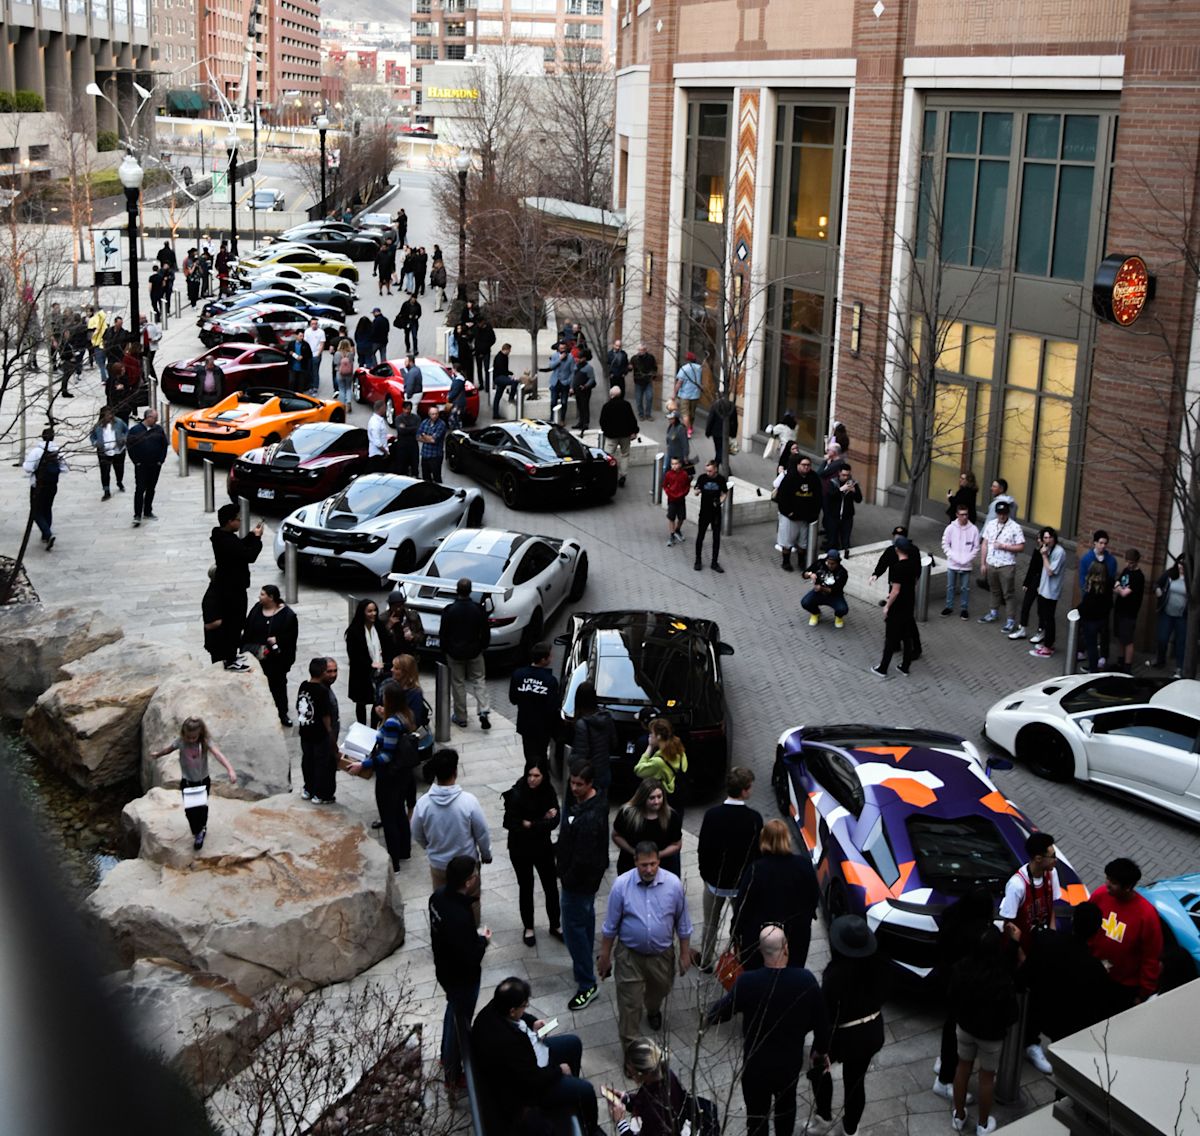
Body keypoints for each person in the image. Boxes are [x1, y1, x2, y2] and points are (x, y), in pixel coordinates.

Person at [706, 924, 830, 1136]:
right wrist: (820, 1050)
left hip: (757, 1066)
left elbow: (719, 1013)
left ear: (760, 951)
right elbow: (822, 1022)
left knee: (756, 1118)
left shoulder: (747, 982)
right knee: (786, 1111)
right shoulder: (805, 980)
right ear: (786, 948)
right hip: (788, 1065)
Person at [471, 976, 598, 1133]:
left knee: (573, 1043)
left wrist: (532, 1022)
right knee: (586, 1090)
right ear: (512, 1011)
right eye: (524, 1006)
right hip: (530, 1090)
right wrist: (559, 1070)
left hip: (532, 1058)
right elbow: (533, 1079)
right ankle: (591, 1129)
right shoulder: (508, 1044)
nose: (526, 1008)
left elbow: (521, 1017)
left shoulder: (497, 1006)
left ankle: (569, 1092)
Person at [599, 842, 693, 1055]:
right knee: (629, 1005)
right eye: (644, 865)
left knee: (660, 990)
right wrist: (604, 956)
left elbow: (683, 923)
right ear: (635, 862)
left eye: (653, 864)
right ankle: (631, 1055)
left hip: (662, 956)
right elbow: (610, 925)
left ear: (659, 861)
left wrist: (685, 953)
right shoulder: (621, 886)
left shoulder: (673, 885)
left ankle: (652, 1009)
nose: (649, 869)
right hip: (629, 957)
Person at [810, 916, 885, 1136]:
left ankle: (823, 1117)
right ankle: (850, 1130)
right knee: (855, 1083)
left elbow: (825, 1015)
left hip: (844, 1034)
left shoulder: (834, 975)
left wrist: (821, 1047)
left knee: (818, 1067)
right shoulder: (879, 965)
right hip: (872, 1030)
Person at [429, 855, 490, 1099]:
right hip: (462, 979)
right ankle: (453, 1075)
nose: (477, 878)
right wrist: (483, 941)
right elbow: (470, 956)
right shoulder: (459, 916)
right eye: (475, 875)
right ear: (468, 882)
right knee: (460, 1027)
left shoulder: (437, 898)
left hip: (445, 971)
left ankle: (446, 1058)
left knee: (452, 1012)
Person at [999, 830, 1060, 1073]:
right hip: (1021, 952)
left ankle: (1031, 1043)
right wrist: (1021, 956)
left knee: (1039, 999)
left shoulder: (1051, 874)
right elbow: (1008, 923)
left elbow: (1052, 907)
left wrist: (1052, 938)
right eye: (1051, 856)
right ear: (1037, 858)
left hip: (1040, 948)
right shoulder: (1016, 885)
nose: (1055, 860)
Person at [949, 926, 1018, 1136]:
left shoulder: (961, 968)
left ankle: (959, 1115)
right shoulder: (1001, 977)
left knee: (962, 1069)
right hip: (991, 1036)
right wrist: (1014, 942)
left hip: (965, 1027)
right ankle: (983, 1124)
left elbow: (952, 997)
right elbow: (1012, 1013)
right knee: (987, 1078)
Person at [412, 747, 493, 920]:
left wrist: (430, 847)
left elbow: (417, 833)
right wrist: (486, 854)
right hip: (467, 867)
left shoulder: (423, 804)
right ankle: (472, 932)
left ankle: (447, 932)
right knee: (471, 902)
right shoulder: (469, 802)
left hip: (439, 865)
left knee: (444, 904)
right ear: (455, 772)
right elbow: (482, 833)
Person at [556, 759, 610, 1012]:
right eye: (572, 782)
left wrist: (566, 877)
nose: (574, 788)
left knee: (574, 931)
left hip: (578, 884)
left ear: (590, 784)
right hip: (585, 883)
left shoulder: (589, 816)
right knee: (585, 923)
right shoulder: (591, 804)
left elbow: (583, 858)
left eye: (579, 784)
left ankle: (587, 984)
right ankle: (585, 965)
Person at [732, 818, 820, 969]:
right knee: (793, 973)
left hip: (760, 938)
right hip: (796, 934)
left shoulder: (755, 870)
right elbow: (813, 896)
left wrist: (735, 932)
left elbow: (742, 906)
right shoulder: (803, 865)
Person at [346, 683, 417, 869]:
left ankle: (394, 861)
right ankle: (405, 851)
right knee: (399, 812)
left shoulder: (392, 722)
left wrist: (363, 765)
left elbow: (386, 756)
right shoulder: (405, 715)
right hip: (402, 775)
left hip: (390, 777)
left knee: (389, 817)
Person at [697, 767, 762, 970]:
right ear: (744, 790)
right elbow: (756, 853)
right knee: (741, 924)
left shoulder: (712, 815)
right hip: (741, 884)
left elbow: (703, 849)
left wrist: (706, 875)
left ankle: (706, 961)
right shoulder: (754, 818)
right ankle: (739, 961)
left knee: (710, 923)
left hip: (714, 882)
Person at [933, 886, 993, 1102]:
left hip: (949, 982)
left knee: (951, 1027)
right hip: (963, 988)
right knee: (955, 1032)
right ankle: (945, 1080)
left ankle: (944, 1065)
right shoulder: (973, 934)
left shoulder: (953, 918)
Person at [148, 717, 237, 851]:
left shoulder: (204, 742)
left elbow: (218, 754)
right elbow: (168, 749)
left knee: (201, 808)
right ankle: (196, 830)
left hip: (202, 781)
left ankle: (201, 830)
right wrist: (158, 755)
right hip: (188, 782)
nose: (190, 740)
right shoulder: (180, 742)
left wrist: (230, 769)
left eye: (193, 737)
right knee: (190, 811)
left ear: (200, 733)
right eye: (188, 737)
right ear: (184, 733)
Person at [1088, 857, 1163, 1009]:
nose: (1107, 884)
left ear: (1128, 887)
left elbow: (1150, 958)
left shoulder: (1147, 915)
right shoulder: (1100, 895)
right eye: (1107, 878)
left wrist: (1144, 993)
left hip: (1123, 986)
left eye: (1113, 882)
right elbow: (1085, 924)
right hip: (1093, 972)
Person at [503, 759, 562, 947]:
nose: (532, 779)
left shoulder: (548, 791)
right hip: (520, 849)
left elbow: (554, 820)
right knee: (526, 887)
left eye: (537, 775)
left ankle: (555, 924)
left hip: (542, 847)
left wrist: (530, 823)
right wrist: (541, 819)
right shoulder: (517, 793)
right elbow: (510, 822)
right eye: (530, 774)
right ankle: (528, 927)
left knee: (550, 887)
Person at [209, 503, 264, 671]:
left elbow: (240, 546)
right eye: (238, 519)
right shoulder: (227, 541)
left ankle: (231, 655)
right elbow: (249, 555)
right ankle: (230, 658)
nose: (240, 522)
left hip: (231, 587)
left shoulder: (221, 536)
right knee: (234, 623)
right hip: (233, 590)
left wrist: (251, 535)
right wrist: (257, 539)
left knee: (235, 623)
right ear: (229, 521)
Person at [603, 1037, 693, 1136]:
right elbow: (645, 1099)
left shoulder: (655, 1111)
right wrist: (627, 1099)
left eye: (631, 1073)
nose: (630, 1075)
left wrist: (621, 1122)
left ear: (642, 1074)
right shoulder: (663, 1075)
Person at [242, 585, 299, 727]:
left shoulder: (287, 615)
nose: (259, 597)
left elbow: (291, 638)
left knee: (278, 686)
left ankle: (282, 712)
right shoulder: (257, 609)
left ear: (271, 597)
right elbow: (248, 629)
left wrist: (277, 641)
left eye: (262, 594)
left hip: (276, 661)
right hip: (257, 657)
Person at [440, 577, 491, 729]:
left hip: (455, 652)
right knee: (479, 680)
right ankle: (483, 709)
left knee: (458, 684)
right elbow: (485, 631)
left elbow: (443, 633)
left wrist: (445, 650)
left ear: (457, 590)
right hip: (474, 651)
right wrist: (483, 646)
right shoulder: (478, 609)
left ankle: (461, 717)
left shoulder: (449, 610)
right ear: (470, 591)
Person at [612, 780, 683, 877]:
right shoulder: (627, 814)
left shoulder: (671, 816)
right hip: (631, 865)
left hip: (664, 867)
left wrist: (656, 856)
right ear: (643, 797)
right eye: (652, 798)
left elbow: (677, 844)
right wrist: (633, 852)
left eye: (659, 797)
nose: (656, 801)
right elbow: (616, 836)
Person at [872, 535, 919, 677]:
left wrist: (887, 605)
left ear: (897, 549)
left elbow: (896, 591)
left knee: (890, 637)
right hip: (909, 602)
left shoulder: (898, 568)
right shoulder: (912, 564)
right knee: (906, 636)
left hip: (898, 606)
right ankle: (905, 666)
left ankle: (883, 668)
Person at [509, 642, 561, 765]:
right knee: (541, 755)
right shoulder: (550, 681)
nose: (552, 658)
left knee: (529, 755)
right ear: (543, 659)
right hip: (543, 727)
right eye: (550, 656)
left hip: (525, 724)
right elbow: (552, 708)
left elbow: (513, 699)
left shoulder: (518, 674)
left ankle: (532, 772)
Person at [296, 657, 340, 803]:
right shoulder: (322, 691)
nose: (333, 674)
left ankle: (308, 789)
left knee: (308, 761)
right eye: (329, 671)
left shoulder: (303, 686)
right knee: (323, 764)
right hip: (320, 735)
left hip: (306, 732)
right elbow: (325, 716)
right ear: (322, 672)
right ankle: (321, 794)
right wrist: (331, 736)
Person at [978, 499, 1025, 631]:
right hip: (992, 563)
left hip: (1007, 565)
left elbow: (1021, 547)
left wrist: (1005, 546)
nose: (1002, 516)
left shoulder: (1015, 527)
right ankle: (993, 612)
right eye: (999, 513)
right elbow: (985, 544)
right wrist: (983, 563)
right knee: (994, 590)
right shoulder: (991, 524)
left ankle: (1010, 620)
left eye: (1004, 513)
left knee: (1008, 594)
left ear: (1008, 513)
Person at [344, 598, 392, 725]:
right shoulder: (354, 631)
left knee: (377, 701)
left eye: (375, 610)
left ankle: (373, 727)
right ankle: (361, 726)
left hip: (379, 671)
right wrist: (370, 664)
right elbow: (353, 655)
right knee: (361, 702)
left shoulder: (379, 627)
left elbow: (387, 646)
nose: (373, 614)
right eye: (369, 611)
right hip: (361, 673)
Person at [775, 453, 823, 571]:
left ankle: (801, 562)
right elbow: (782, 497)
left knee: (803, 542)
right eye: (803, 465)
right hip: (790, 517)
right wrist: (788, 512)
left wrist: (814, 514)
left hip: (806, 518)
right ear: (798, 465)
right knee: (787, 541)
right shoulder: (790, 478)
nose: (806, 467)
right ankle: (786, 562)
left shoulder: (814, 478)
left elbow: (818, 497)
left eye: (808, 465)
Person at [571, 679, 618, 798]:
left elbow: (581, 754)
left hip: (588, 776)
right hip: (604, 772)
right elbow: (614, 743)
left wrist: (570, 759)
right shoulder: (607, 717)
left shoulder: (582, 724)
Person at [23, 428, 68, 550]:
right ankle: (45, 535)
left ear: (42, 437)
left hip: (38, 485)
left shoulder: (37, 451)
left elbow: (28, 468)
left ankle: (47, 533)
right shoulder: (57, 451)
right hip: (52, 485)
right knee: (47, 508)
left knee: (36, 511)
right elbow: (65, 468)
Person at [1027, 527, 1067, 660]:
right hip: (1044, 589)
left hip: (1051, 592)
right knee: (1043, 616)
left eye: (1050, 537)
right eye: (1045, 538)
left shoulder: (1059, 552)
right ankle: (1048, 643)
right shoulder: (1047, 549)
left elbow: (1050, 571)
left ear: (1054, 538)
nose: (1048, 540)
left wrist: (1044, 555)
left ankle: (1048, 647)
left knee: (1049, 618)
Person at [125, 408, 168, 528]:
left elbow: (164, 445)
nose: (156, 420)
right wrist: (136, 461)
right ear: (148, 417)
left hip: (155, 465)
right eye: (155, 418)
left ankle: (148, 511)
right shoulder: (135, 430)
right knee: (140, 489)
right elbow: (130, 446)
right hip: (141, 466)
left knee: (151, 488)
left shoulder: (158, 430)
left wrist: (160, 460)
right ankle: (137, 514)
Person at [634, 717, 688, 805]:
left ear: (658, 736)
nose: (649, 736)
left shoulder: (658, 762)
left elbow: (638, 770)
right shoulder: (680, 752)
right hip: (679, 798)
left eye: (651, 733)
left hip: (666, 802)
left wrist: (649, 747)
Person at [1150, 556, 1187, 676]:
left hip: (1182, 616)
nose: (1181, 567)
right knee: (1162, 638)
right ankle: (1160, 660)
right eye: (1180, 563)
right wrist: (1158, 590)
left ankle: (1180, 667)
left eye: (1184, 564)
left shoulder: (1191, 579)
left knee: (1181, 642)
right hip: (1167, 613)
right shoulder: (1170, 574)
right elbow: (1156, 584)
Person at [941, 504, 980, 618]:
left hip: (966, 565)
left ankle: (964, 609)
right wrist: (953, 556)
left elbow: (976, 547)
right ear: (957, 515)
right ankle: (949, 607)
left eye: (966, 514)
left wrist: (967, 559)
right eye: (962, 514)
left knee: (965, 588)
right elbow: (945, 544)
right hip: (952, 564)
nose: (964, 517)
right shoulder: (950, 528)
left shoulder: (973, 529)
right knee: (950, 587)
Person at [1077, 561, 1114, 672]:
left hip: (1091, 621)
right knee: (1097, 643)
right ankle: (1097, 665)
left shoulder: (1093, 588)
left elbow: (1087, 605)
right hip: (1102, 619)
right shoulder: (1108, 584)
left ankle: (1093, 669)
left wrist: (1078, 610)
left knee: (1091, 646)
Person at [599, 385, 638, 487]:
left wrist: (605, 431)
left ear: (611, 395)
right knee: (625, 454)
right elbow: (632, 420)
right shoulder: (626, 405)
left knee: (608, 456)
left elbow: (602, 421)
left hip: (611, 436)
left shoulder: (607, 406)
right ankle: (623, 476)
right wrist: (634, 431)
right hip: (625, 435)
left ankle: (608, 474)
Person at [1112, 549, 1145, 672]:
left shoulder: (1138, 577)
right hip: (1119, 609)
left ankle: (1127, 666)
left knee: (1128, 639)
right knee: (1119, 637)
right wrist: (1119, 588)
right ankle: (1120, 661)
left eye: (1131, 562)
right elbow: (1117, 584)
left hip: (1129, 612)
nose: (1128, 565)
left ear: (1136, 562)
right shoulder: (1126, 571)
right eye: (1127, 562)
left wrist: (1118, 588)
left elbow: (1124, 593)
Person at [692, 459, 727, 573]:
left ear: (715, 469)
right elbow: (695, 491)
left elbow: (724, 493)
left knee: (716, 538)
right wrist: (697, 491)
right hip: (704, 512)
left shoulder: (721, 479)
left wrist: (720, 501)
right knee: (700, 536)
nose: (708, 473)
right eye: (707, 471)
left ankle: (714, 562)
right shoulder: (702, 478)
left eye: (710, 471)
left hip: (716, 513)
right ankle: (698, 560)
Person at [800, 548, 850, 628]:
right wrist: (810, 574)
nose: (830, 565)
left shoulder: (842, 572)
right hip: (818, 593)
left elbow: (835, 590)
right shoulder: (820, 563)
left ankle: (838, 617)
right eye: (828, 563)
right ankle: (816, 613)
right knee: (805, 602)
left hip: (834, 596)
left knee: (843, 609)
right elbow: (804, 574)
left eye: (833, 564)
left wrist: (821, 588)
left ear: (837, 562)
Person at [89, 406, 128, 501]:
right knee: (105, 472)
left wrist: (124, 438)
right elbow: (92, 436)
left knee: (119, 469)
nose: (109, 417)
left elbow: (126, 430)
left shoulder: (119, 422)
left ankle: (119, 481)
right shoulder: (98, 426)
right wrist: (96, 443)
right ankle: (106, 490)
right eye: (107, 415)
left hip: (118, 450)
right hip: (104, 452)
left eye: (110, 414)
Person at [382, 588, 426, 659]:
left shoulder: (412, 616)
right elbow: (379, 639)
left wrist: (413, 636)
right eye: (395, 606)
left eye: (400, 606)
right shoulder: (383, 618)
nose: (398, 609)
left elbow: (422, 636)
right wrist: (388, 626)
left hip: (409, 653)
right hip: (391, 655)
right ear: (390, 606)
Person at [661, 455, 691, 547]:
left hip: (681, 499)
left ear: (680, 464)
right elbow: (665, 485)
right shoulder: (668, 474)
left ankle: (677, 530)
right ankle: (672, 534)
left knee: (682, 517)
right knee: (671, 518)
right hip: (672, 499)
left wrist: (684, 493)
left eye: (676, 464)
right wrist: (669, 493)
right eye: (672, 464)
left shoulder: (684, 474)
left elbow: (687, 485)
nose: (674, 466)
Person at [673, 351, 703, 437]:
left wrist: (674, 394)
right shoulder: (699, 368)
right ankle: (690, 427)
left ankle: (687, 431)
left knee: (685, 414)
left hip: (685, 394)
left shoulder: (684, 369)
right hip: (695, 394)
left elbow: (679, 383)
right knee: (692, 413)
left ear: (687, 360)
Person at [418, 403, 447, 482]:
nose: (435, 416)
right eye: (433, 414)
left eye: (436, 414)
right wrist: (428, 438)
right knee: (426, 478)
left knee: (437, 477)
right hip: (425, 454)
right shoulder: (425, 422)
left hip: (435, 456)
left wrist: (423, 435)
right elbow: (417, 437)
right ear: (429, 414)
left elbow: (434, 440)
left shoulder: (441, 424)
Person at [705, 394, 738, 464]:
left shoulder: (715, 406)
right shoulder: (732, 406)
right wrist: (733, 433)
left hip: (716, 432)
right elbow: (735, 422)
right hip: (727, 432)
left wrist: (708, 432)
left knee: (718, 449)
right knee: (723, 449)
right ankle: (721, 463)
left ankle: (717, 463)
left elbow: (710, 420)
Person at [571, 348, 597, 433]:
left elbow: (592, 379)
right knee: (579, 406)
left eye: (580, 358)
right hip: (577, 390)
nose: (578, 359)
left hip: (585, 391)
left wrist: (585, 386)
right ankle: (580, 422)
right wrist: (571, 387)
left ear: (584, 358)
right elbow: (573, 377)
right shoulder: (576, 366)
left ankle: (585, 423)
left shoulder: (588, 368)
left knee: (584, 406)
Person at [630, 343, 657, 421]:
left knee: (649, 397)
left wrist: (653, 376)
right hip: (638, 382)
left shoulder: (651, 357)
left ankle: (648, 414)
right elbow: (629, 368)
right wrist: (629, 368)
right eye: (639, 350)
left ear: (646, 350)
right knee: (638, 399)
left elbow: (654, 368)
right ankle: (641, 414)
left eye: (642, 350)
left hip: (648, 381)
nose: (640, 351)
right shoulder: (634, 358)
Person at [366, 399, 392, 473]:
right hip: (377, 455)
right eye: (385, 408)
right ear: (381, 408)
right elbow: (377, 442)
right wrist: (385, 452)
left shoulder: (379, 420)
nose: (386, 410)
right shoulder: (375, 423)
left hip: (380, 454)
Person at [491, 343, 515, 416]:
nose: (510, 352)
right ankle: (511, 398)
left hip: (500, 377)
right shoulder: (499, 357)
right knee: (514, 382)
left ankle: (495, 414)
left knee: (498, 396)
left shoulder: (503, 357)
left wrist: (509, 373)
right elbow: (502, 370)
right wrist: (509, 375)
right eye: (509, 350)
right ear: (506, 350)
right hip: (500, 377)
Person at [332, 336, 356, 410]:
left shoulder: (337, 353)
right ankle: (348, 401)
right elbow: (352, 361)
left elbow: (335, 362)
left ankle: (343, 405)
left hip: (339, 373)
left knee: (341, 389)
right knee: (348, 388)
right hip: (349, 373)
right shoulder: (351, 353)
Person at [140, 314, 162, 381]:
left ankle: (153, 378)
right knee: (143, 363)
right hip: (142, 347)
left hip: (151, 347)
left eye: (144, 318)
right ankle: (147, 378)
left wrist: (155, 339)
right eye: (141, 318)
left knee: (149, 362)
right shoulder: (139, 327)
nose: (143, 319)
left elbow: (159, 333)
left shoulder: (152, 325)